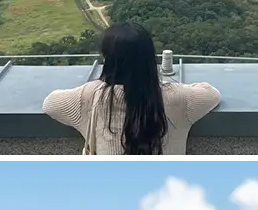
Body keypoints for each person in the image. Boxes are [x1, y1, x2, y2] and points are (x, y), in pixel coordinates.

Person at [42, 22, 220, 154]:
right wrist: (170, 86)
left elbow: (50, 103)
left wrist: (92, 86)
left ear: (108, 58)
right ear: (149, 58)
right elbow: (211, 94)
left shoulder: (91, 96)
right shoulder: (178, 98)